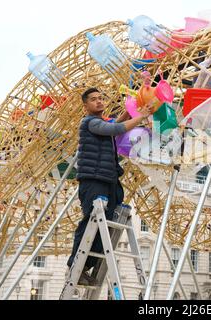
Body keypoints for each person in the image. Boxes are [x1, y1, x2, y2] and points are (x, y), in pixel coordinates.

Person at [66, 87, 151, 285]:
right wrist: (141, 117)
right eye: (94, 99)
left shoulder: (101, 122)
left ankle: (88, 266)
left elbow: (115, 123)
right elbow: (115, 129)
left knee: (109, 220)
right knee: (91, 221)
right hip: (94, 179)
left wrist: (133, 110)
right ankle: (76, 265)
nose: (99, 101)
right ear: (85, 105)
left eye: (101, 98)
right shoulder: (89, 122)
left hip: (108, 178)